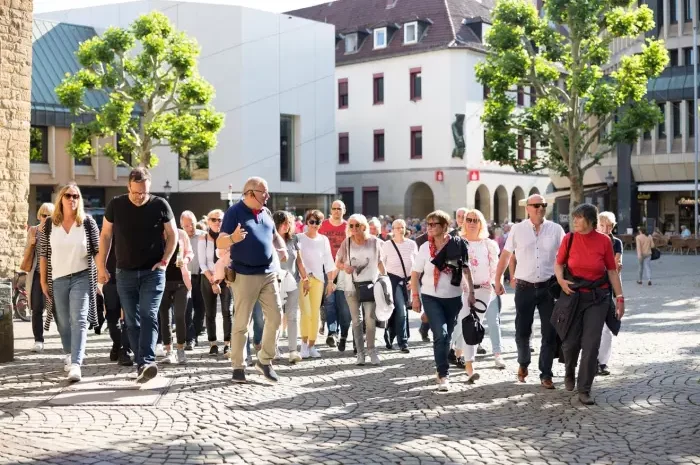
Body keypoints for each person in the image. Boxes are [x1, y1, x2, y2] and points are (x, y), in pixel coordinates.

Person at [98, 168, 177, 384]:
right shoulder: (116, 204)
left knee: (148, 314)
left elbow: (173, 234)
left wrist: (165, 260)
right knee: (131, 320)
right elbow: (105, 235)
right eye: (136, 192)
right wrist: (101, 266)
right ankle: (142, 363)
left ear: (149, 188)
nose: (140, 196)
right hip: (124, 273)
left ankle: (146, 362)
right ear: (128, 187)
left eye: (143, 192)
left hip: (153, 272)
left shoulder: (160, 205)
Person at [216, 177, 287, 383]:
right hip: (244, 274)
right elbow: (220, 241)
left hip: (269, 273)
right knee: (241, 323)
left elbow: (274, 235)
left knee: (275, 317)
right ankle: (238, 366)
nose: (267, 196)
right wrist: (232, 239)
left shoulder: (265, 213)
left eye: (267, 192)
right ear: (249, 193)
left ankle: (264, 360)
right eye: (263, 193)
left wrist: (281, 248)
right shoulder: (234, 212)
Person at [555, 204, 624, 405]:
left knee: (591, 342)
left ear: (590, 221)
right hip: (573, 296)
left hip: (598, 297)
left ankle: (584, 388)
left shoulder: (604, 241)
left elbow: (612, 271)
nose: (574, 221)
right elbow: (558, 264)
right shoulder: (569, 238)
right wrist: (560, 280)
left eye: (578, 218)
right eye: (573, 217)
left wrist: (619, 298)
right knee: (570, 342)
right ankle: (569, 371)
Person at [495, 194, 565, 388]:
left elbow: (565, 256)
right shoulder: (517, 230)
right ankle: (523, 362)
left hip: (548, 287)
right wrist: (498, 279)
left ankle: (546, 374)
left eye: (543, 205)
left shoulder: (556, 229)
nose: (540, 208)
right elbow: (506, 255)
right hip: (524, 287)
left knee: (549, 332)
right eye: (536, 205)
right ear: (527, 208)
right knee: (522, 331)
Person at [39, 184, 100, 382]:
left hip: (81, 276)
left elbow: (97, 250)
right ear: (61, 199)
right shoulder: (49, 224)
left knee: (79, 319)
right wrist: (42, 280)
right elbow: (43, 254)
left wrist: (102, 273)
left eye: (76, 196)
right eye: (68, 195)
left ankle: (76, 363)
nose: (72, 199)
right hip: (57, 278)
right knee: (63, 322)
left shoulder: (87, 223)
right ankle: (68, 353)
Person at [411, 210, 475, 391]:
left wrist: (471, 292)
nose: (429, 228)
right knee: (441, 334)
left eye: (434, 224)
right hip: (431, 297)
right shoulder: (424, 248)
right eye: (428, 224)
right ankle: (443, 374)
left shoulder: (458, 244)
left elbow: (466, 269)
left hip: (454, 297)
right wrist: (415, 298)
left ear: (445, 226)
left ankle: (442, 368)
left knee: (447, 336)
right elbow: (415, 275)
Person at [453, 209, 506, 374]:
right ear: (464, 222)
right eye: (469, 219)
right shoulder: (457, 242)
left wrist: (497, 283)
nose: (472, 223)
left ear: (481, 223)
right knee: (464, 323)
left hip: (483, 289)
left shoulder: (488, 244)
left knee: (472, 325)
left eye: (476, 220)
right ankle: (460, 353)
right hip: (463, 290)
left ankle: (468, 363)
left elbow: (495, 267)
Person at [333, 214, 387, 366]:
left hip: (370, 286)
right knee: (356, 321)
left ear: (364, 226)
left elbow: (380, 263)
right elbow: (338, 262)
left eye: (357, 225)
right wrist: (345, 267)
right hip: (351, 287)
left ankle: (372, 350)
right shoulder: (347, 242)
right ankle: (360, 354)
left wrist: (385, 279)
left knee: (370, 321)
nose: (354, 228)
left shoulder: (375, 242)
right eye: (351, 225)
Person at [298, 210, 335, 359]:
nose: (314, 225)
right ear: (306, 222)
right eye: (311, 222)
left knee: (315, 314)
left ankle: (312, 345)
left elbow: (328, 260)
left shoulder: (324, 239)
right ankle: (303, 344)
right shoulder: (299, 238)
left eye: (317, 222)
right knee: (305, 313)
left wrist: (330, 281)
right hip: (303, 279)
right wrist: (304, 276)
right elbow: (297, 260)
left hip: (319, 280)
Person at [273, 211, 308, 363]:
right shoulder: (270, 239)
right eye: (284, 222)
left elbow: (299, 261)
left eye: (289, 223)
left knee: (293, 316)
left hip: (293, 282)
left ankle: (293, 351)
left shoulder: (294, 239)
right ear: (277, 223)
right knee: (275, 318)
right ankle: (273, 349)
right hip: (274, 283)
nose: (287, 226)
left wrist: (305, 278)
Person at [199, 209, 234, 356]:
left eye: (220, 220)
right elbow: (202, 262)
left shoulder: (227, 237)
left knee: (227, 312)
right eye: (214, 219)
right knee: (210, 312)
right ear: (208, 221)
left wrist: (220, 279)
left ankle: (228, 344)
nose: (217, 222)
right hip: (208, 278)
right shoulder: (203, 238)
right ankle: (213, 343)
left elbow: (230, 259)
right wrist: (213, 281)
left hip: (225, 278)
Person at [158, 227, 194, 364]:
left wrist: (185, 260)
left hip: (181, 282)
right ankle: (168, 351)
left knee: (179, 316)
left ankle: (180, 349)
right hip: (162, 281)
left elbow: (190, 252)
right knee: (164, 317)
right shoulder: (156, 234)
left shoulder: (181, 234)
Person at [22, 202, 54, 353]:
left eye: (49, 216)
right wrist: (31, 244)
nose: (46, 218)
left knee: (58, 309)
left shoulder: (58, 231)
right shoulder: (34, 231)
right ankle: (38, 340)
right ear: (39, 215)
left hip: (55, 275)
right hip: (36, 274)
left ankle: (68, 342)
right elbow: (26, 253)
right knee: (36, 308)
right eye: (44, 215)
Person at [381, 219, 417, 353]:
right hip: (393, 281)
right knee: (401, 310)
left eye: (402, 227)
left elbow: (416, 264)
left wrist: (413, 281)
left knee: (400, 310)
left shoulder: (412, 244)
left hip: (408, 281)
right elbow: (382, 264)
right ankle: (403, 341)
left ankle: (392, 335)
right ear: (393, 229)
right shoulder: (387, 245)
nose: (400, 230)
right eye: (397, 228)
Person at [319, 200, 351, 350]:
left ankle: (342, 333)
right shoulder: (323, 225)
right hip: (326, 269)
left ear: (344, 210)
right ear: (330, 210)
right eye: (334, 208)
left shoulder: (348, 226)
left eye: (339, 208)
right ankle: (332, 332)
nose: (336, 211)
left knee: (342, 305)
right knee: (329, 302)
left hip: (344, 270)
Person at [597, 211, 623, 376]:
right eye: (603, 225)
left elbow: (615, 265)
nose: (606, 229)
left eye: (609, 226)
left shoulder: (617, 243)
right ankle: (592, 359)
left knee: (607, 328)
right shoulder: (592, 241)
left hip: (611, 288)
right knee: (593, 327)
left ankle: (602, 362)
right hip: (594, 287)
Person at [103, 239, 133, 366]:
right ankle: (117, 343)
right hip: (110, 281)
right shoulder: (105, 233)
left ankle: (124, 350)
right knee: (111, 318)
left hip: (129, 279)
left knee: (129, 317)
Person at [181, 211, 206, 350]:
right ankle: (189, 337)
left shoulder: (203, 235)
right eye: (186, 225)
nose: (190, 227)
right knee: (186, 308)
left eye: (192, 224)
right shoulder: (180, 236)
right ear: (181, 225)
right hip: (185, 277)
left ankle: (194, 334)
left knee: (200, 309)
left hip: (201, 276)